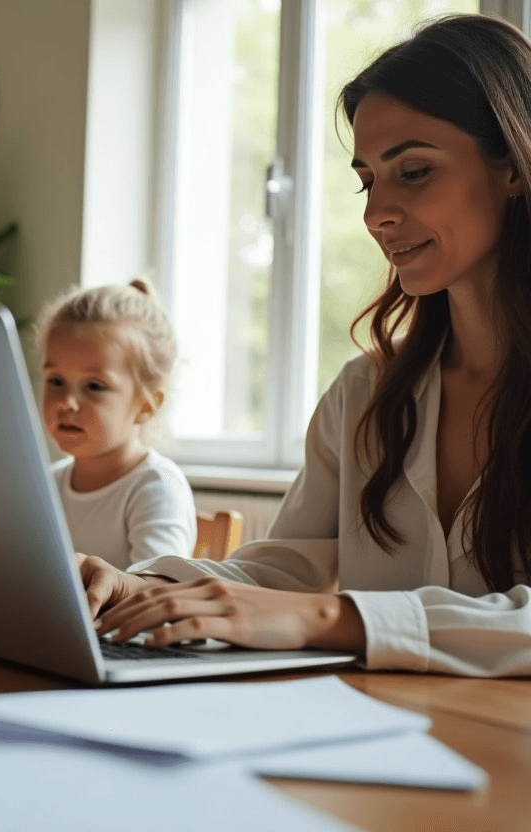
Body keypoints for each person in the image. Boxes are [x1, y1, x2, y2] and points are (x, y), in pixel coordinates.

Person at [81, 13, 531, 677]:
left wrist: (330, 617)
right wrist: (136, 586)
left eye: (413, 171)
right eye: (367, 179)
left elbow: (305, 607)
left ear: (513, 168)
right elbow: (285, 568)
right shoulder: (364, 393)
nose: (376, 212)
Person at [37, 279, 196, 571]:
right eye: (56, 381)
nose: (67, 402)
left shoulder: (156, 486)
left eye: (94, 386)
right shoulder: (44, 485)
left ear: (147, 406)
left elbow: (152, 596)